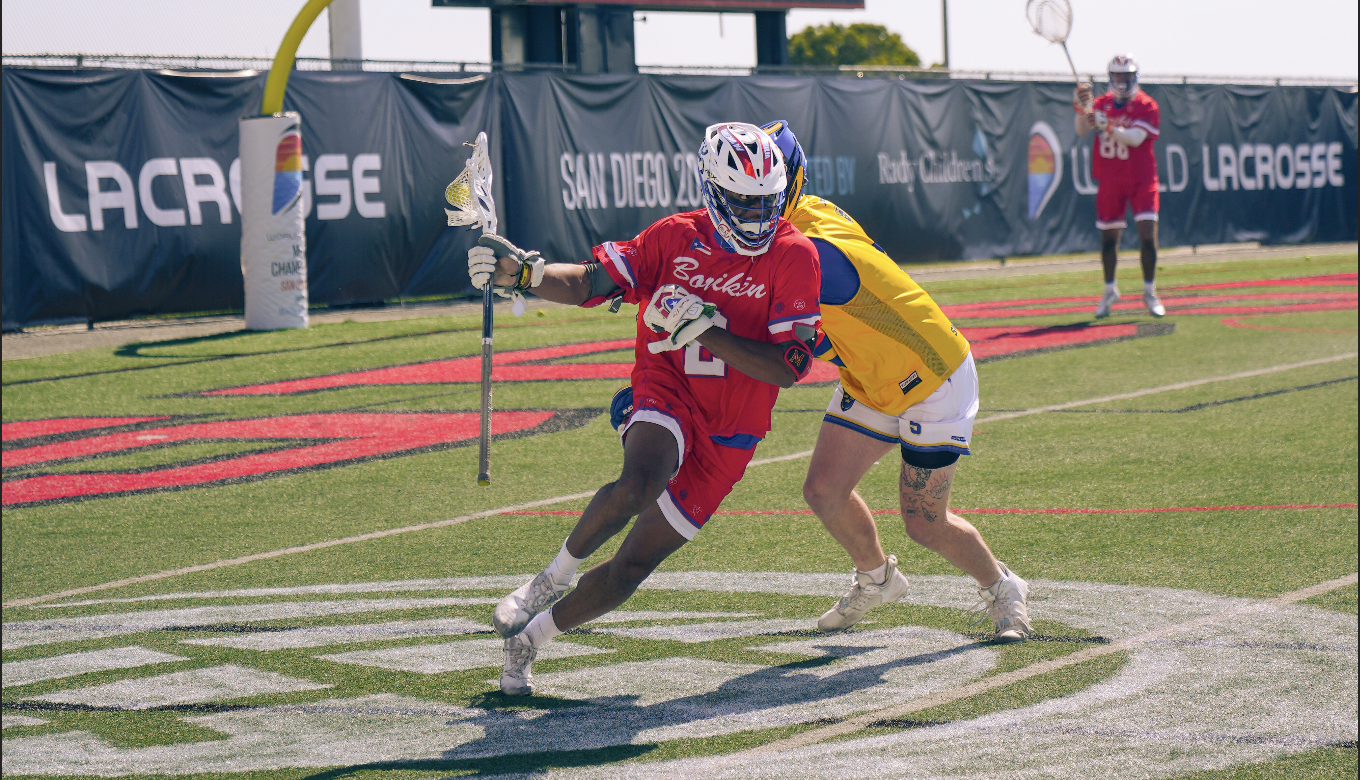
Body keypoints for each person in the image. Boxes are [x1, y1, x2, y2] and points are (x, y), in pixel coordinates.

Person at [467, 122, 822, 696]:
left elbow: (789, 365)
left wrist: (705, 328)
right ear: (711, 189)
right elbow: (589, 283)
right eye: (742, 201)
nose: (756, 215)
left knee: (633, 568)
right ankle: (549, 579)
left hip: (732, 431)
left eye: (765, 201)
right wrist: (524, 275)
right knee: (640, 481)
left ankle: (531, 638)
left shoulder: (794, 254)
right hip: (668, 388)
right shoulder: (673, 237)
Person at [758, 119, 1032, 643]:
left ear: (785, 188)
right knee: (823, 489)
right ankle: (877, 577)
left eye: (758, 195)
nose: (747, 208)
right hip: (870, 369)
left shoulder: (807, 251)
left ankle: (1004, 588)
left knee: (925, 523)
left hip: (930, 373)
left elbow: (780, 343)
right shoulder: (803, 213)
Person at [1075, 54, 1166, 319]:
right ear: (1111, 77)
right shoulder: (1100, 103)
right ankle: (1109, 289)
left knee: (1147, 238)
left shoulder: (1146, 105)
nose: (1123, 82)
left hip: (1141, 179)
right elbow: (1082, 129)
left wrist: (1106, 125)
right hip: (1110, 178)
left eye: (1127, 76)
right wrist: (1082, 107)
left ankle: (1149, 291)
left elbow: (1136, 138)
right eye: (1118, 76)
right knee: (1107, 242)